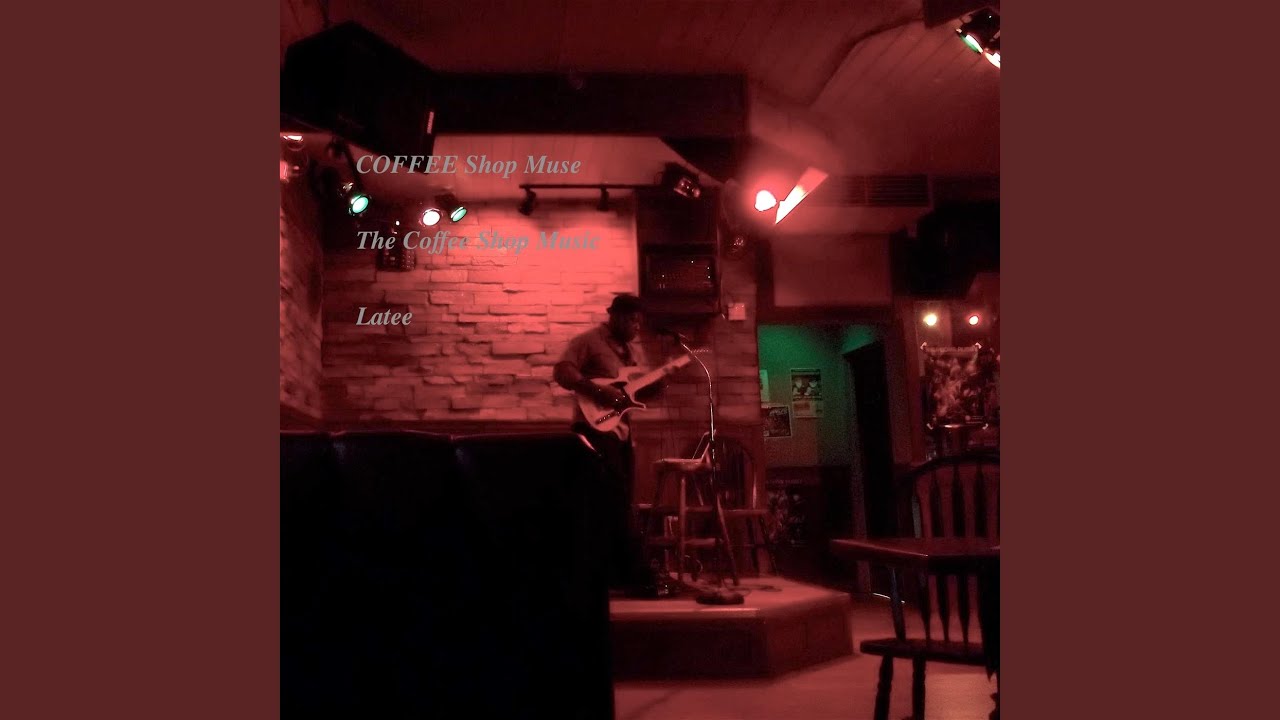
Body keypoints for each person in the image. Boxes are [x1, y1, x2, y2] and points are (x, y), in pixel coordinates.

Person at [553, 293, 677, 598]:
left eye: (639, 321)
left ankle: (615, 575)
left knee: (618, 502)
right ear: (616, 316)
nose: (637, 326)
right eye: (632, 320)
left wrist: (661, 380)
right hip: (593, 432)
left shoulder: (630, 353)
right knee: (612, 502)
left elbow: (632, 397)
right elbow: (563, 371)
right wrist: (598, 391)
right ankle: (630, 575)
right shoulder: (588, 341)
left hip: (620, 433)